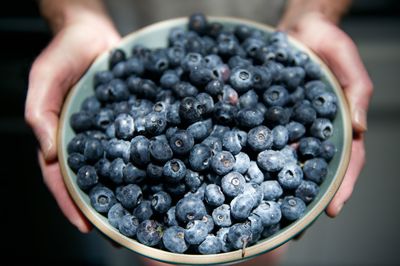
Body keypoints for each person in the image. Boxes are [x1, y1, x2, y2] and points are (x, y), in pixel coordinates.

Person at [25, 0, 373, 265]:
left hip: (275, 22)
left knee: (259, 251)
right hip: (117, 25)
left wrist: (318, 12)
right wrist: (73, 15)